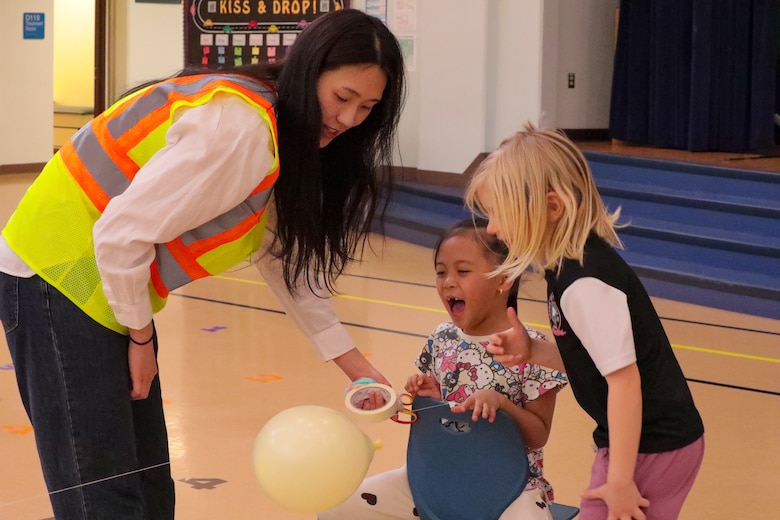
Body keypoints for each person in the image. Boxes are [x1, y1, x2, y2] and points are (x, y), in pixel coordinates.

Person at [0, 9, 405, 520]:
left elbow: (286, 264)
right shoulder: (241, 131)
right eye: (342, 98)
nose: (348, 120)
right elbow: (120, 234)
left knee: (147, 492)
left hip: (105, 291)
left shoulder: (281, 137)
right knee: (100, 495)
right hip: (53, 279)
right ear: (308, 73)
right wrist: (141, 339)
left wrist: (359, 372)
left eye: (367, 107)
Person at [464, 123, 705, 520]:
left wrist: (621, 479)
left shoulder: (585, 282)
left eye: (498, 214)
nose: (492, 228)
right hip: (634, 444)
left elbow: (625, 382)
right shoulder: (565, 269)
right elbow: (593, 361)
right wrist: (534, 351)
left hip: (653, 446)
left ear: (552, 208)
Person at [320, 218, 568, 520]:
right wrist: (430, 397)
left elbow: (538, 435)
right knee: (338, 508)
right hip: (435, 479)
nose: (448, 281)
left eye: (462, 271)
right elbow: (442, 417)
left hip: (511, 490)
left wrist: (502, 405)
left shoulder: (536, 348)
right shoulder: (441, 337)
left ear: (504, 279)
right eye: (441, 272)